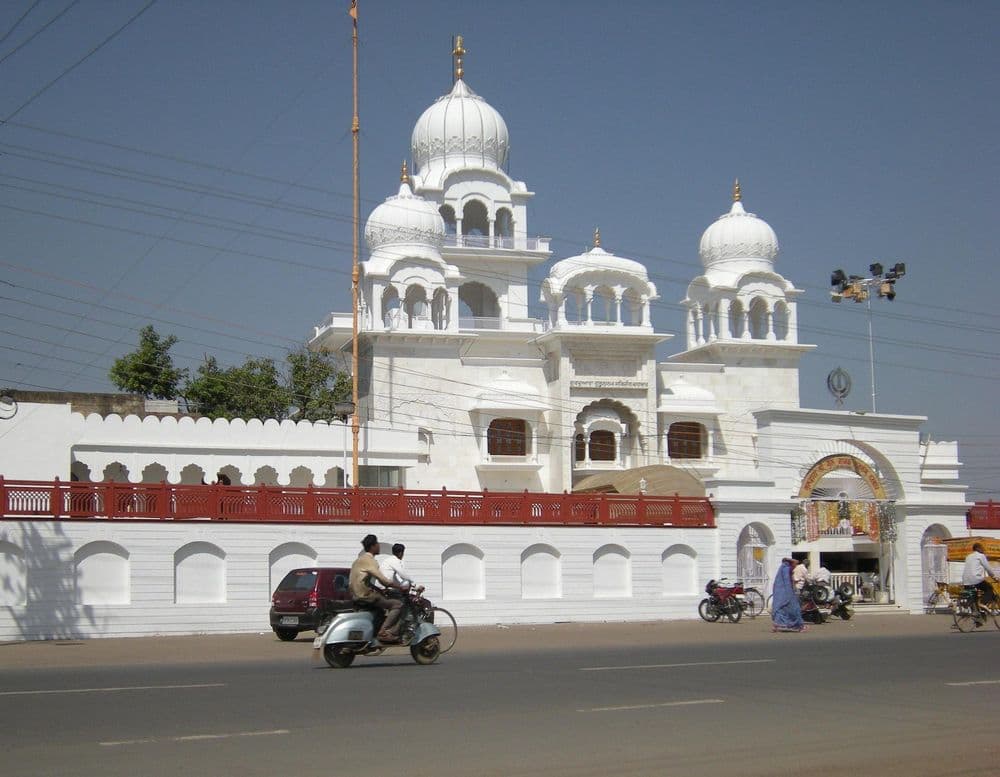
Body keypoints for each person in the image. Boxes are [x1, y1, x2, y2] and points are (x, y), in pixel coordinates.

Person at [349, 534, 403, 642]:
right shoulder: (370, 561)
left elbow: (364, 581)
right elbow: (383, 580)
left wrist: (379, 590)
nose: (379, 546)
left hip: (356, 594)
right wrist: (400, 586)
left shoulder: (359, 560)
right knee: (397, 604)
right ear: (372, 546)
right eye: (377, 543)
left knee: (381, 606)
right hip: (365, 595)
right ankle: (383, 632)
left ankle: (376, 630)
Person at [961, 542, 998, 622]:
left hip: (965, 580)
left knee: (974, 596)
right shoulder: (981, 556)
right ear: (978, 548)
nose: (983, 550)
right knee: (989, 590)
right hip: (976, 579)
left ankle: (977, 617)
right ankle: (983, 603)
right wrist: (994, 577)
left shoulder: (968, 556)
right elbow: (988, 568)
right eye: (982, 548)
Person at [771, 558, 806, 633]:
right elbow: (788, 582)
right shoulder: (786, 569)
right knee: (795, 608)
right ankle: (799, 626)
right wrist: (790, 591)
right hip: (787, 592)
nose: (795, 566)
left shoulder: (782, 569)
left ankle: (777, 625)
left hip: (779, 593)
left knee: (780, 608)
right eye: (794, 564)